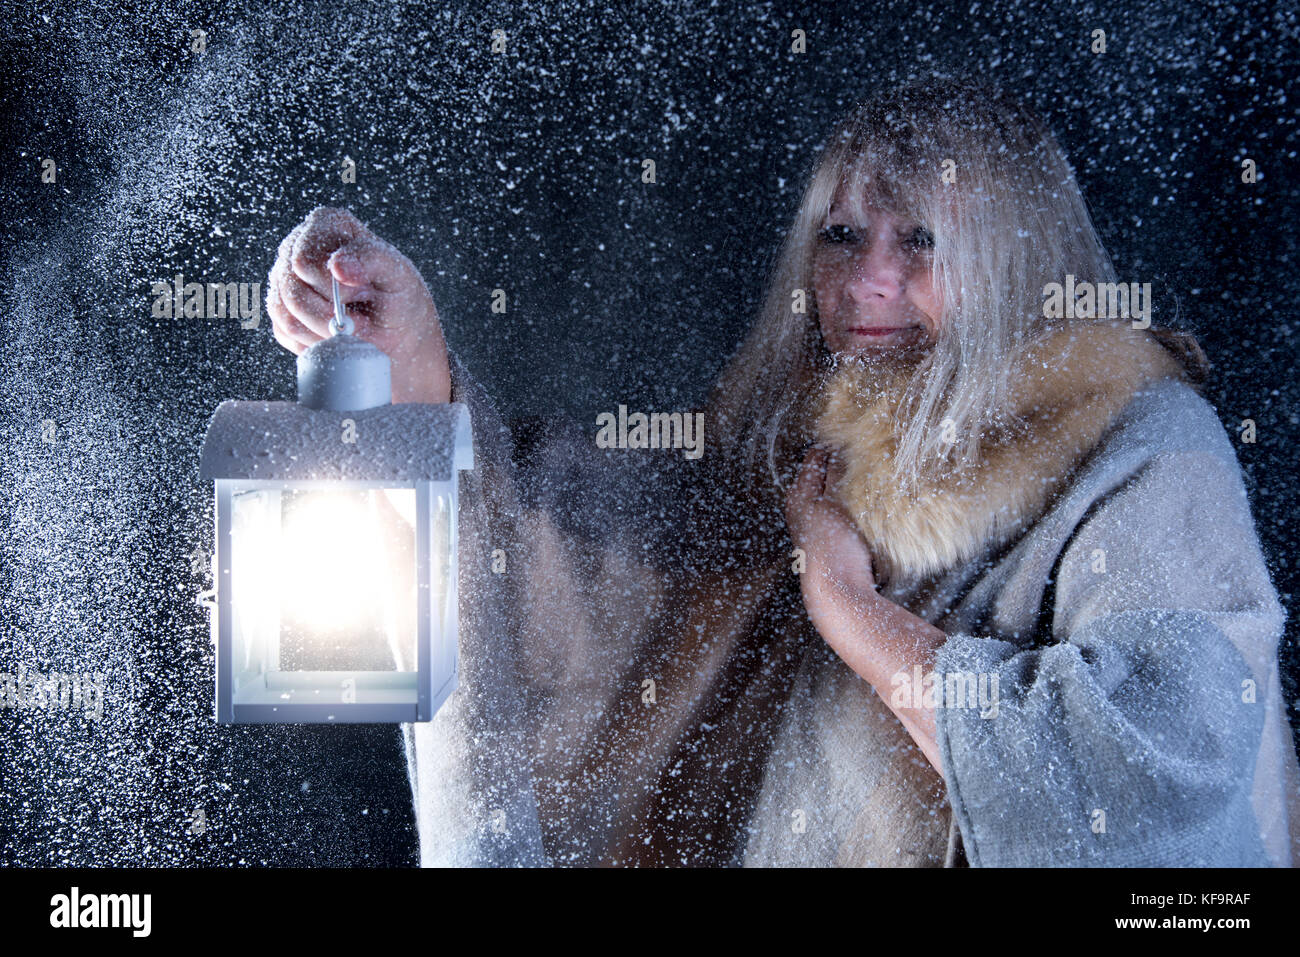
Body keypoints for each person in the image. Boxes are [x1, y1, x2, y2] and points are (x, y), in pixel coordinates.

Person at [266, 78, 1300, 866]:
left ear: (1013, 264)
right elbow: (594, 551)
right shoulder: (804, 452)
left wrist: (846, 606)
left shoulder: (1139, 447)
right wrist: (408, 358)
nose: (865, 282)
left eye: (922, 240)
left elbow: (1159, 767)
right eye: (842, 234)